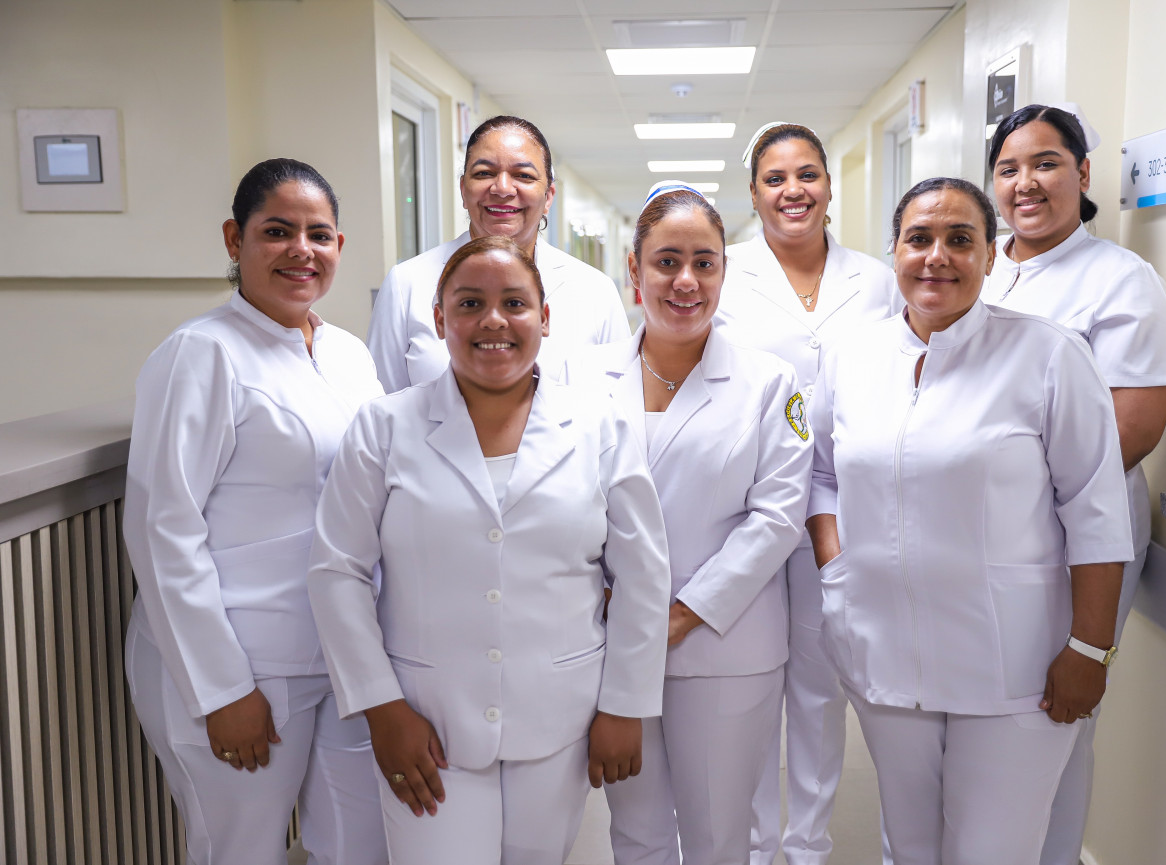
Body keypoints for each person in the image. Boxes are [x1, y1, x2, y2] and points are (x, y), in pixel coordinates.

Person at [307, 235, 671, 865]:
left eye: (515, 304)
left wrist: (624, 706)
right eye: (470, 303)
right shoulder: (384, 427)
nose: (494, 321)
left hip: (560, 718)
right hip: (425, 724)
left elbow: (643, 575)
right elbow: (337, 569)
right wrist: (380, 706)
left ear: (545, 318)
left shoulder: (601, 426)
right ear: (440, 319)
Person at [809, 177, 1133, 865]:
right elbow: (823, 477)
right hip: (884, 652)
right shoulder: (851, 357)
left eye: (960, 239)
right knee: (910, 848)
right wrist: (836, 575)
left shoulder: (1049, 355)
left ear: (990, 255)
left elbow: (1096, 511)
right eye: (918, 239)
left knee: (993, 852)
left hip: (1014, 665)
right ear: (894, 251)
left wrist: (1089, 649)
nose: (938, 256)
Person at [122, 158, 386, 865]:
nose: (302, 250)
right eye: (277, 231)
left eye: (319, 235)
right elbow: (163, 529)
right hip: (244, 659)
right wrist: (221, 689)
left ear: (338, 245)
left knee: (359, 846)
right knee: (241, 850)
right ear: (234, 239)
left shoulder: (349, 355)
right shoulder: (200, 353)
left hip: (340, 655)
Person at [564, 182, 813, 865]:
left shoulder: (769, 381)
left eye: (704, 262)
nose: (685, 280)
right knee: (635, 834)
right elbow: (559, 499)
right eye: (667, 261)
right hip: (609, 643)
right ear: (634, 269)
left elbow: (777, 517)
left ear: (723, 272)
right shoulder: (578, 376)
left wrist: (679, 614)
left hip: (725, 649)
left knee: (718, 837)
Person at [982, 103, 1166, 865]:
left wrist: (1009, 494)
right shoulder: (976, 265)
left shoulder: (1120, 280)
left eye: (1046, 163)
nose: (1026, 183)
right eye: (1009, 168)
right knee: (978, 717)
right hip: (977, 534)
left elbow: (1135, 425)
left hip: (1074, 535)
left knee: (1054, 718)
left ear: (1084, 173)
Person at [714, 121, 897, 865]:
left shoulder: (876, 279)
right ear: (754, 192)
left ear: (828, 184)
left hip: (844, 509)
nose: (793, 190)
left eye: (807, 174)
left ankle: (807, 845)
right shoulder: (724, 270)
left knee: (822, 688)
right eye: (775, 178)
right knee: (755, 686)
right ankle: (757, 845)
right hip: (747, 506)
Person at [367, 114, 629, 392]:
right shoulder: (406, 284)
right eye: (484, 173)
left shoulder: (596, 291)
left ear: (548, 197)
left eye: (524, 176)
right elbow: (383, 401)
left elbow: (619, 402)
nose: (502, 188)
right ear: (463, 190)